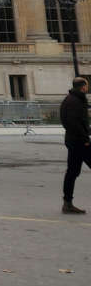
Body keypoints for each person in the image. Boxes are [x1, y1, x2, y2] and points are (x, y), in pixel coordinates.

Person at [60, 76, 91, 214]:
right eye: (87, 85)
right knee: (72, 172)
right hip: (79, 142)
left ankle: (67, 203)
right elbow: (74, 123)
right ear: (83, 86)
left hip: (73, 140)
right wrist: (85, 138)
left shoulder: (71, 99)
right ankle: (67, 203)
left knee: (72, 172)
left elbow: (68, 121)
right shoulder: (75, 101)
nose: (88, 87)